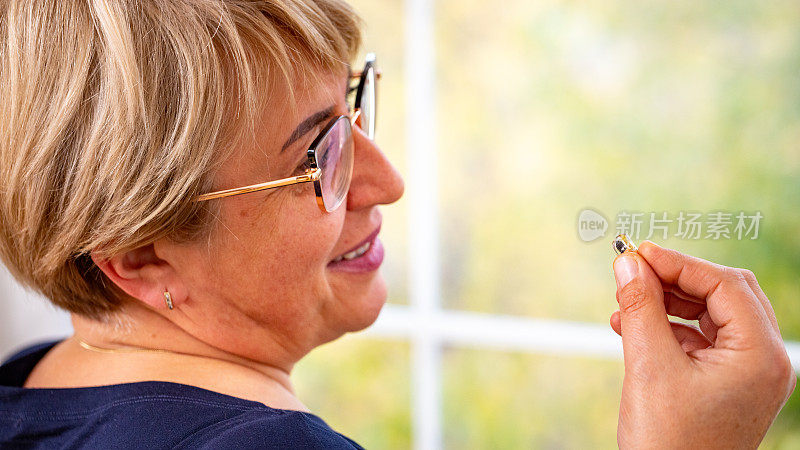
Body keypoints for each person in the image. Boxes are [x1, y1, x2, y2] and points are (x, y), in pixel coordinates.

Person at [0, 1, 794, 448]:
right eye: (322, 155)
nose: (389, 181)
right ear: (141, 256)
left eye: (354, 102)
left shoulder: (31, 385)